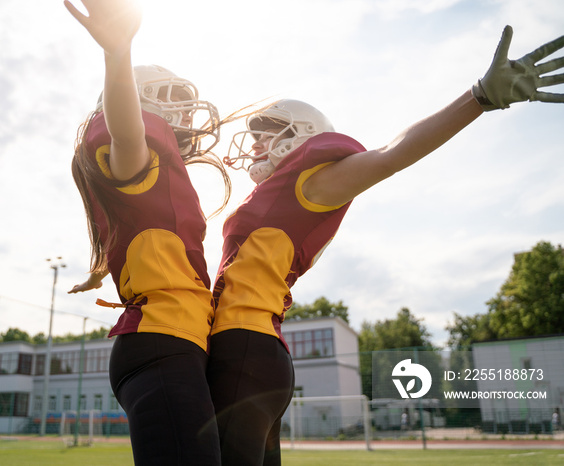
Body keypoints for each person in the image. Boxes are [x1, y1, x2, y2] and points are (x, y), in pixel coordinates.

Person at [207, 25, 564, 465]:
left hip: (245, 346)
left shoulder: (314, 181)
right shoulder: (284, 191)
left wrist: (478, 97)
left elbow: (393, 153)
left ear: (300, 133)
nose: (256, 143)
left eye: (268, 132)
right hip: (252, 348)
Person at [64, 1, 229, 464]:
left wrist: (97, 272)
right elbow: (127, 135)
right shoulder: (136, 153)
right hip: (161, 342)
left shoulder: (152, 173)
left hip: (175, 342)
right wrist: (117, 54)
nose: (183, 107)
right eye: (167, 95)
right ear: (137, 100)